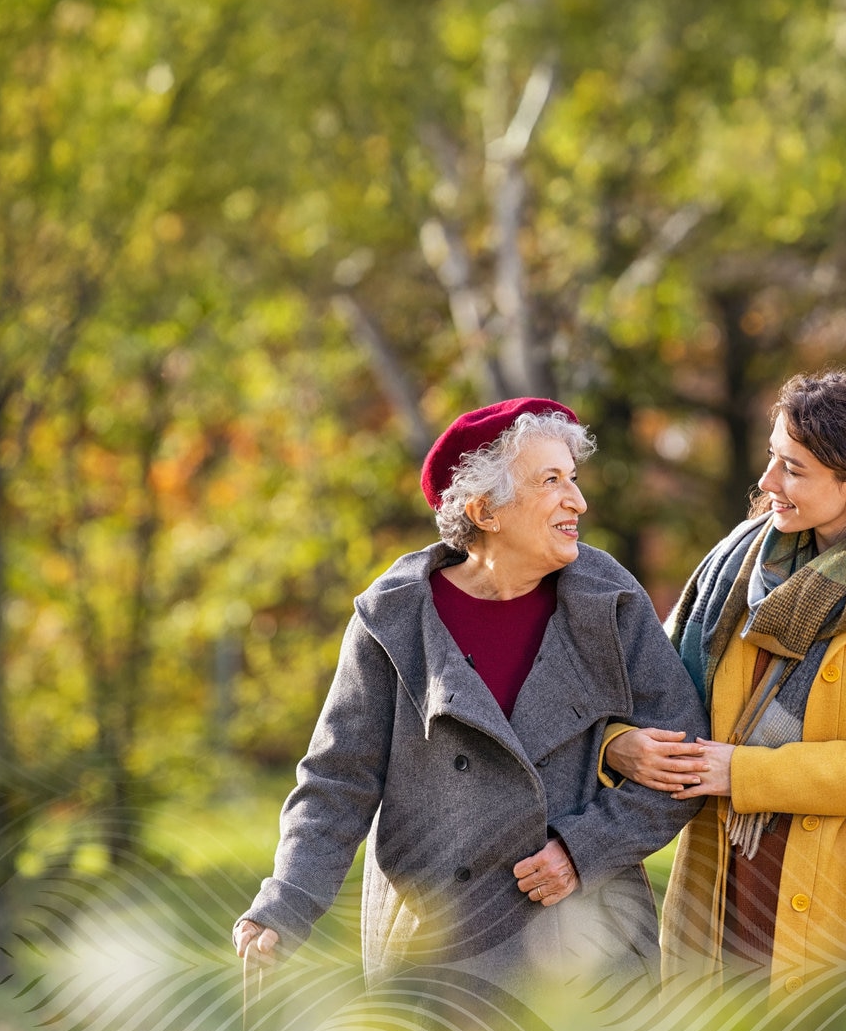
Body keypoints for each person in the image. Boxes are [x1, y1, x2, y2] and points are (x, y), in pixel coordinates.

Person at [232, 398, 706, 987]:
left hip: (588, 950)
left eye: (574, 479)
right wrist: (286, 903)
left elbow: (687, 757)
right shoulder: (395, 618)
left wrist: (584, 849)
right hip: (437, 954)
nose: (577, 501)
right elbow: (338, 781)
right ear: (486, 510)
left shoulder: (609, 600)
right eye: (551, 481)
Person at [606, 368, 846, 992]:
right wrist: (618, 744)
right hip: (722, 901)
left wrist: (743, 773)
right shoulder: (736, 573)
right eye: (772, 459)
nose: (766, 484)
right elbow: (644, 695)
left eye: (792, 469)